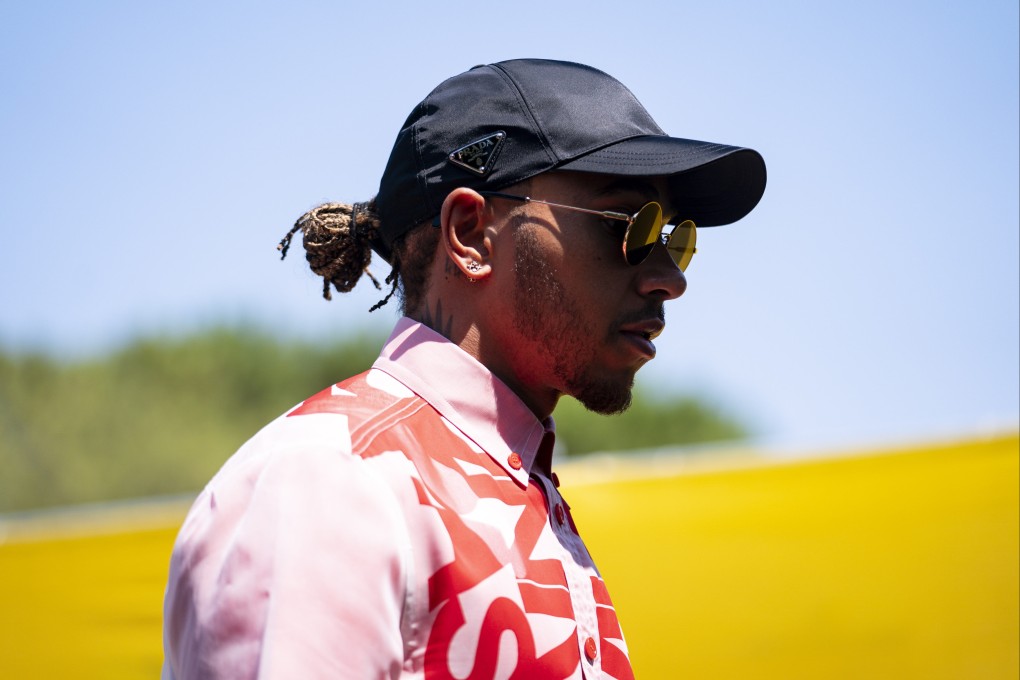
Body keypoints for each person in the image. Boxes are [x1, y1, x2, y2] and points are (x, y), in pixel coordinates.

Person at [162, 58, 766, 679]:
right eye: (629, 225)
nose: (672, 277)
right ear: (471, 233)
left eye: (675, 235)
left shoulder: (529, 502)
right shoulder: (332, 479)